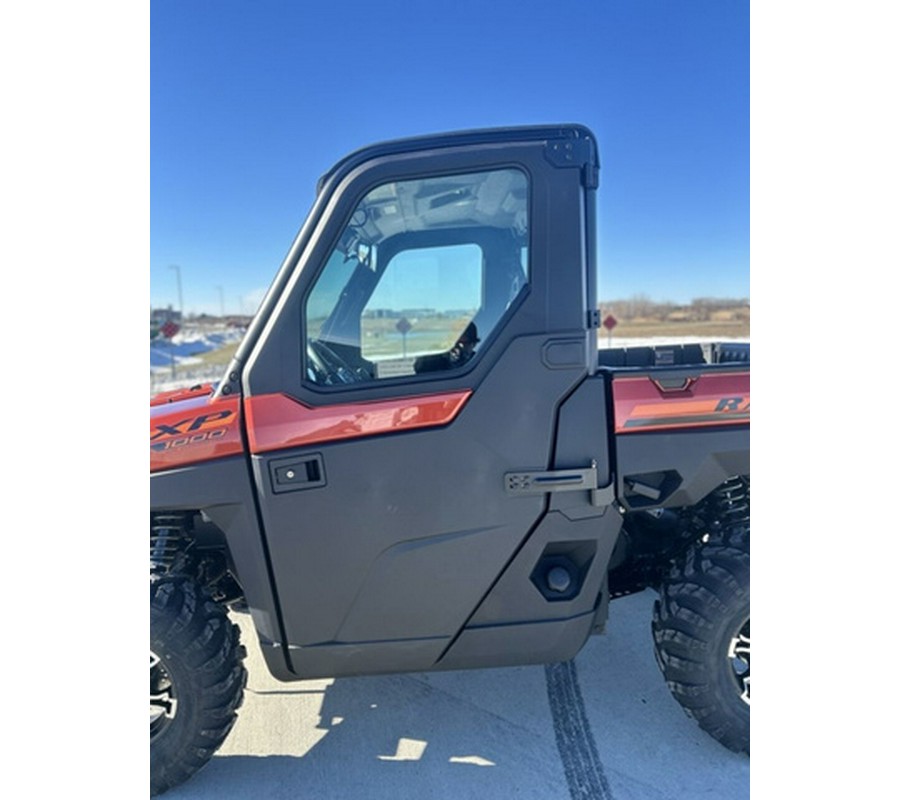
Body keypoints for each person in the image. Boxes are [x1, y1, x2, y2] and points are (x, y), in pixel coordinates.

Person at [414, 322, 480, 373]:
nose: (458, 348)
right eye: (455, 343)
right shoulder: (437, 358)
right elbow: (419, 368)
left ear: (473, 344)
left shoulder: (479, 362)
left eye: (464, 343)